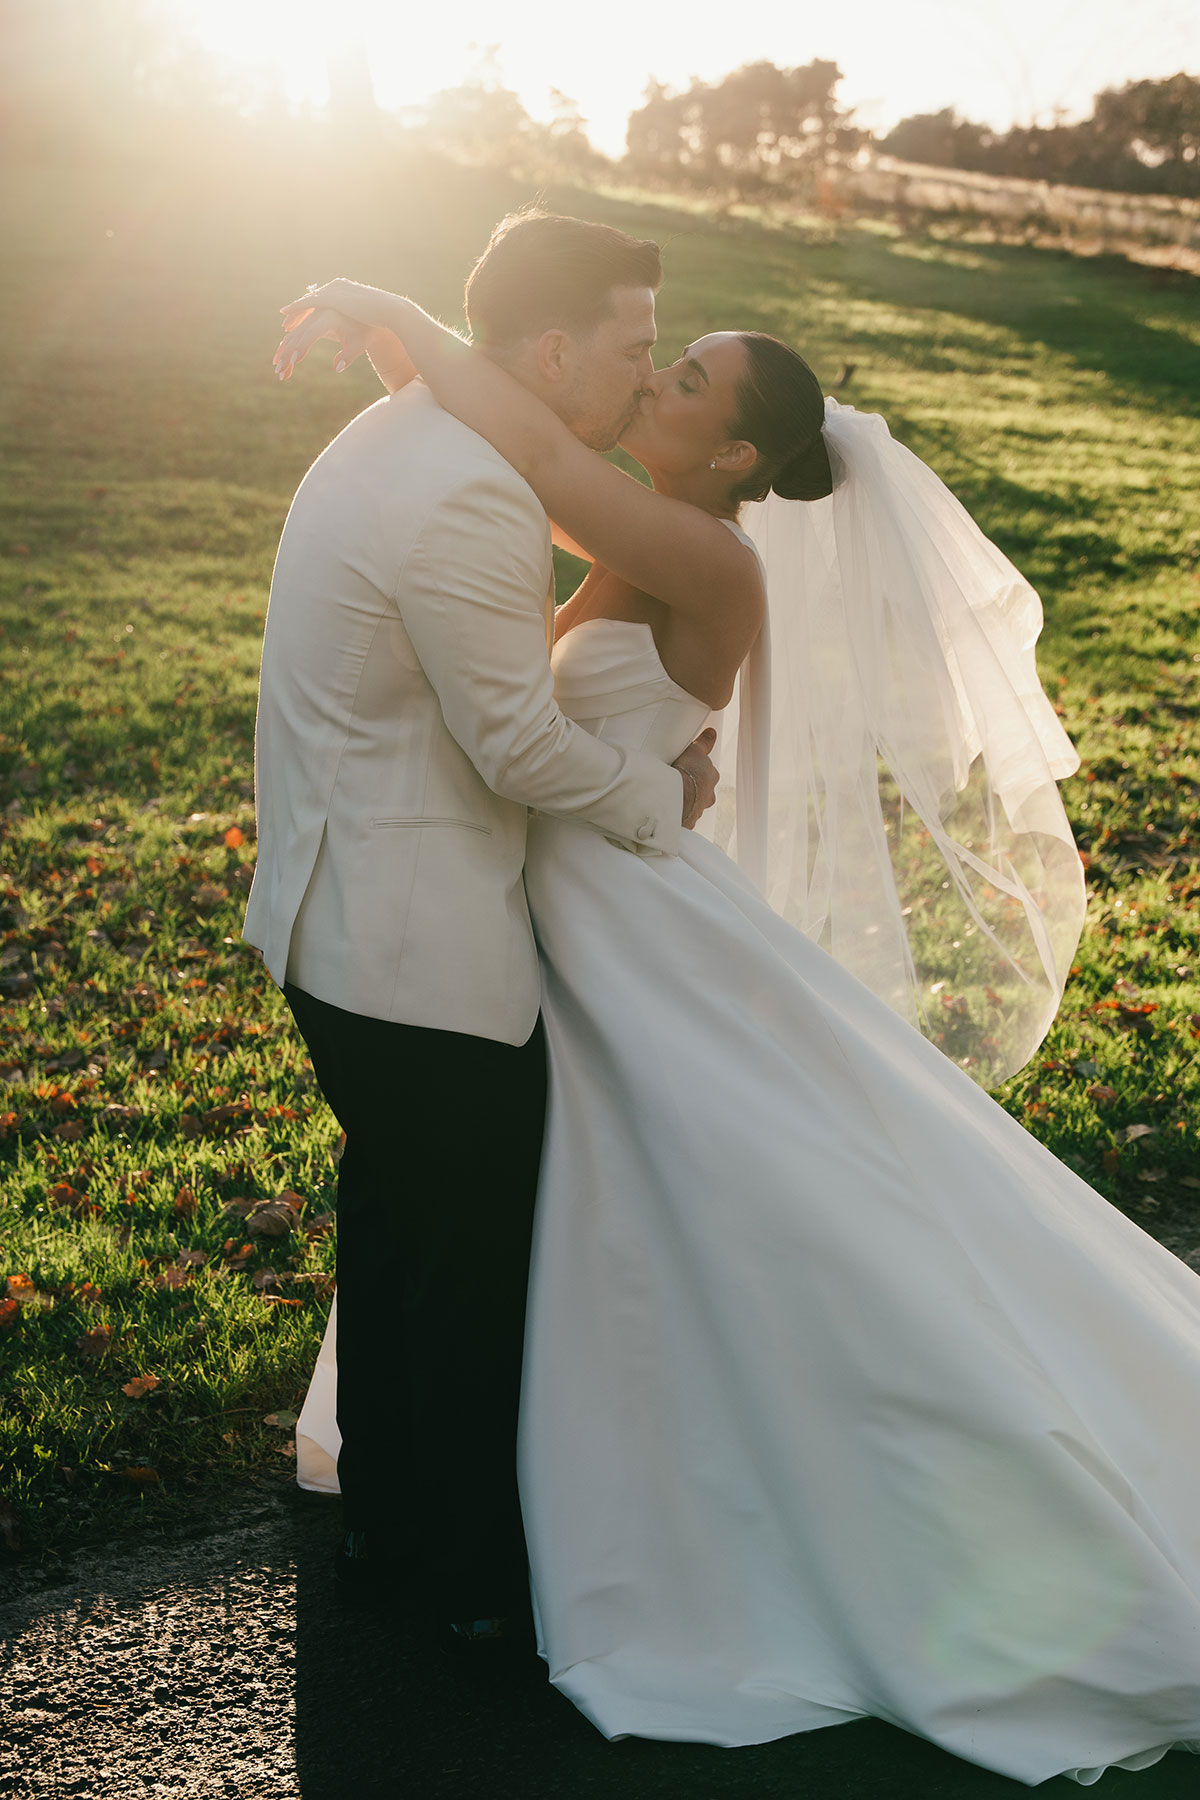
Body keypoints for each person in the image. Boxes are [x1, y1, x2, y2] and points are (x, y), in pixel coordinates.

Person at [278, 271, 1200, 1784]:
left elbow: (545, 460)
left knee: (715, 1214)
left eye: (688, 377)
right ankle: (524, 1495)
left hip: (625, 920)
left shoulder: (704, 553)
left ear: (731, 460)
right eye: (667, 356)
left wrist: (399, 319)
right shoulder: (659, 528)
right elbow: (533, 513)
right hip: (569, 912)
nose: (659, 380)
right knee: (605, 1219)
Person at [242, 213, 721, 1646]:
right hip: (413, 946)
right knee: (469, 1272)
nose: (647, 377)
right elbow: (516, 745)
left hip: (341, 921)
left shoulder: (410, 432)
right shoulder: (470, 491)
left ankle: (391, 1528)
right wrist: (657, 793)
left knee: (395, 1232)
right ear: (555, 348)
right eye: (638, 346)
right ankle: (466, 1592)